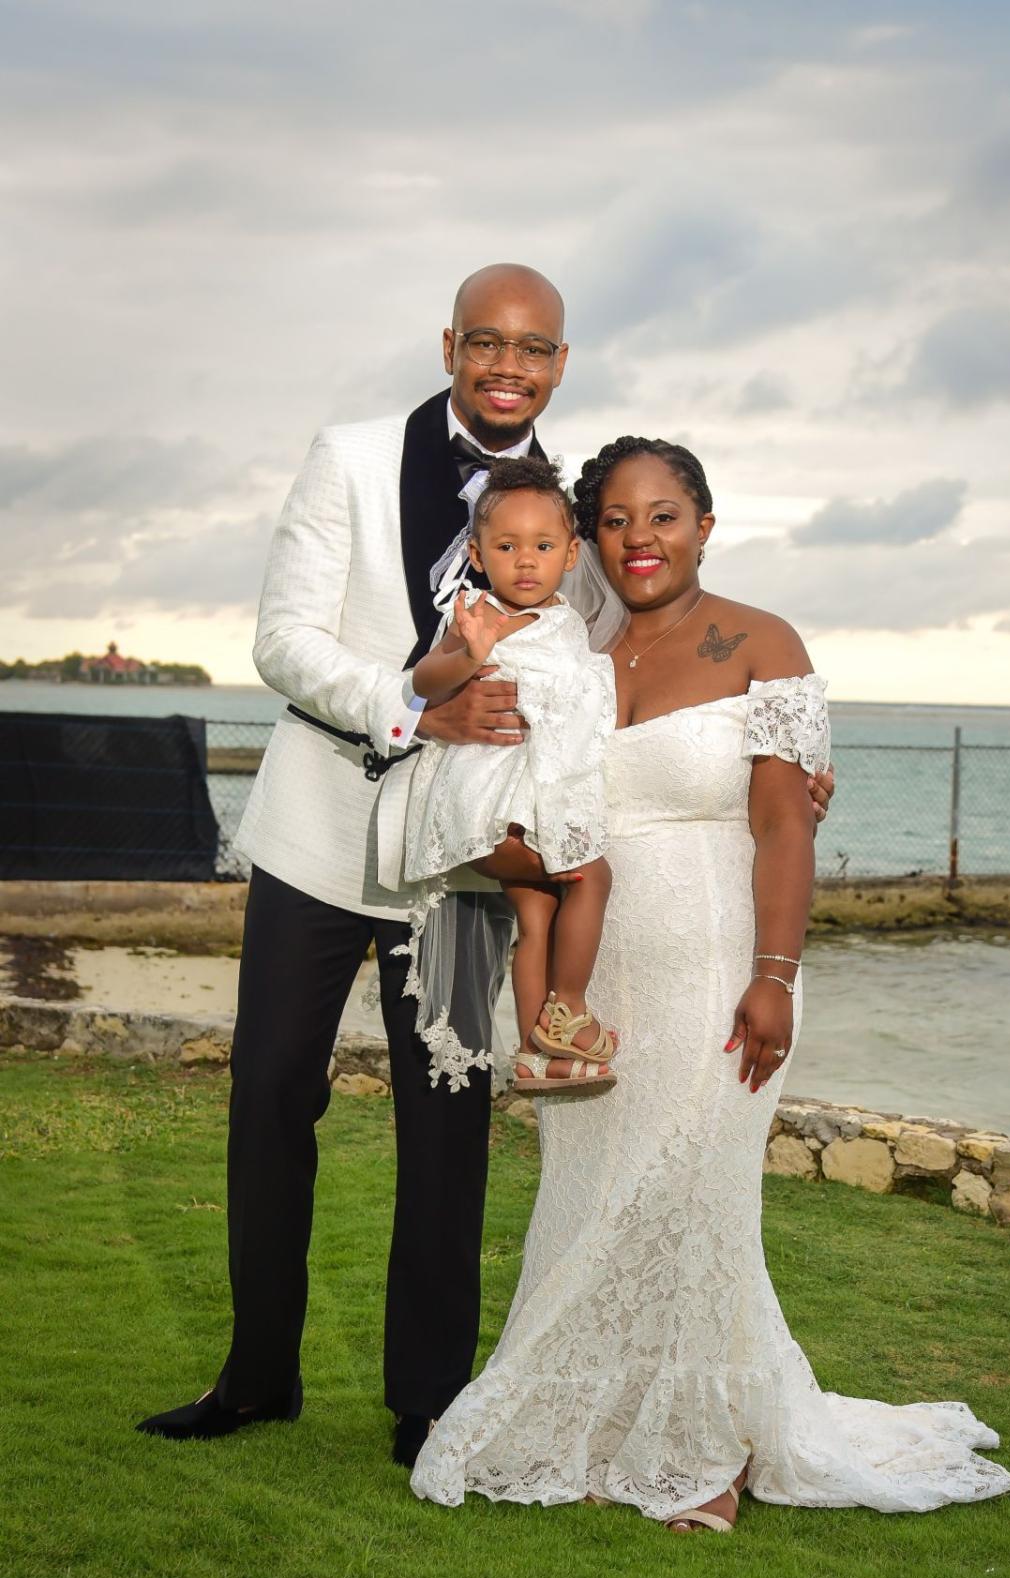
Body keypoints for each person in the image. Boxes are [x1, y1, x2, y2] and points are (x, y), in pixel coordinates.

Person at [134, 265, 836, 1467]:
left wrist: (784, 756)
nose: (509, 365)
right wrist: (412, 707)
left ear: (560, 364)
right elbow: (282, 640)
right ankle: (256, 1376)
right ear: (452, 344)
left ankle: (427, 1402)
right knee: (269, 1100)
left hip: (469, 862)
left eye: (536, 349)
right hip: (321, 832)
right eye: (487, 342)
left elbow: (625, 668)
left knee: (449, 1126)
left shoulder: (573, 509)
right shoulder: (351, 456)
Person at [411, 437, 1010, 1530]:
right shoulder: (569, 648)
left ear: (703, 521)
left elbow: (786, 820)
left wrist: (775, 975)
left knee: (696, 1193)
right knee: (596, 1195)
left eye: (665, 516)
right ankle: (610, 1423)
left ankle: (704, 1454)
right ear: (590, 537)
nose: (640, 539)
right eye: (616, 521)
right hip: (594, 982)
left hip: (718, 959)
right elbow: (504, 786)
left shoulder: (763, 642)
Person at [406, 456, 618, 1094]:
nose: (525, 561)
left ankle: (534, 1054)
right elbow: (422, 682)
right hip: (491, 807)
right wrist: (466, 654)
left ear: (571, 553)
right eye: (506, 546)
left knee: (538, 918)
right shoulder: (478, 616)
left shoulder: (564, 621)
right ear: (477, 553)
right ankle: (568, 1009)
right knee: (592, 874)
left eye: (543, 545)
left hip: (529, 805)